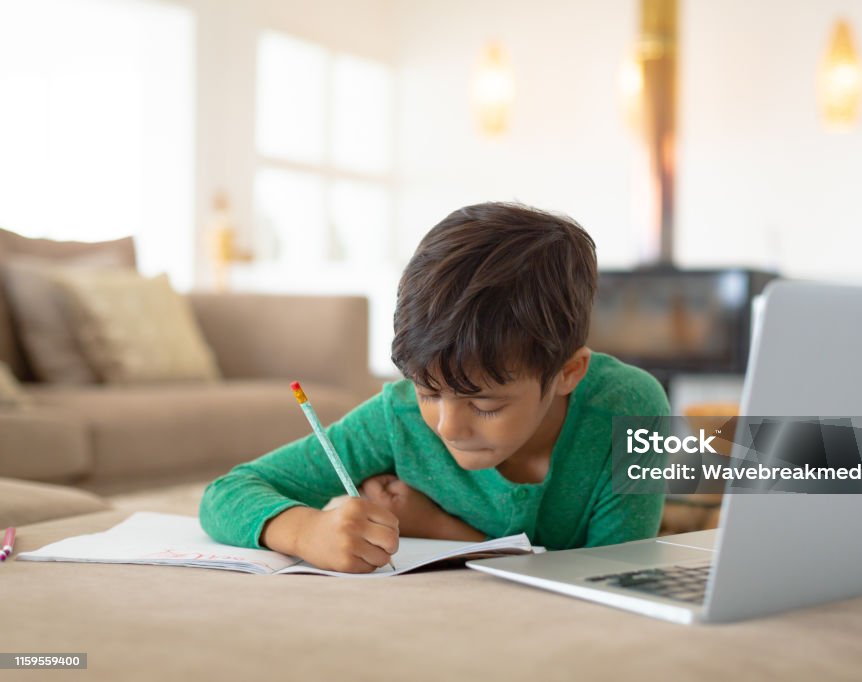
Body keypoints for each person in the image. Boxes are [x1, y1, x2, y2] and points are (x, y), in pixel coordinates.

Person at [199, 202, 670, 573]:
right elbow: (227, 493)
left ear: (569, 372)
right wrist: (307, 532)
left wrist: (439, 529)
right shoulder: (398, 417)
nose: (448, 425)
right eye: (428, 392)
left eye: (484, 404)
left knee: (728, 466)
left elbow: (614, 575)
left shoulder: (630, 407)